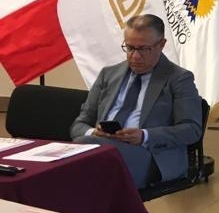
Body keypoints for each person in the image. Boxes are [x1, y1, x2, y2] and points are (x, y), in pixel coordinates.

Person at [71, 14, 203, 189]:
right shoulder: (108, 74)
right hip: (102, 148)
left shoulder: (178, 78)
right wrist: (93, 132)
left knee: (84, 161)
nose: (135, 56)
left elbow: (192, 129)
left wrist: (144, 136)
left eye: (143, 49)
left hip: (150, 154)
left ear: (161, 45)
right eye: (130, 48)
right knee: (84, 165)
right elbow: (79, 125)